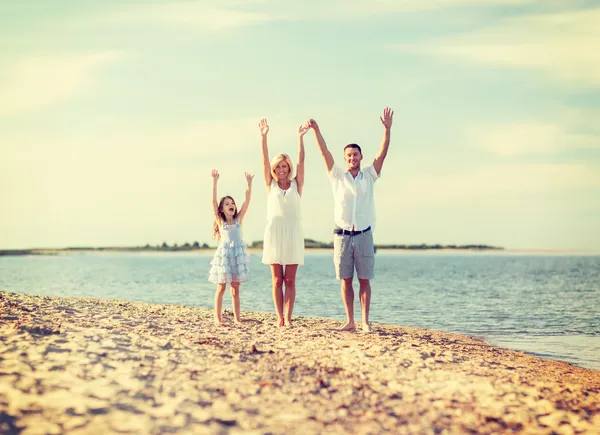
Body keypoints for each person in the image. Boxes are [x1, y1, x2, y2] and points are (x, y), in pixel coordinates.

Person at [308, 107, 394, 332]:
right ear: (345, 158)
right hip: (342, 235)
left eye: (355, 154)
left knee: (364, 279)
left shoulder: (369, 175)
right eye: (348, 156)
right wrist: (316, 130)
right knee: (345, 280)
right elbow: (324, 151)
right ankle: (350, 321)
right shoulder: (337, 176)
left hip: (364, 234)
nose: (352, 158)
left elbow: (382, 153)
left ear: (361, 156)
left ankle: (365, 321)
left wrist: (387, 129)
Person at [259, 118, 309, 327]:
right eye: (278, 166)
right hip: (274, 234)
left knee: (290, 280)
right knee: (277, 280)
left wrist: (299, 139)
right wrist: (263, 137)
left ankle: (288, 318)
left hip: (292, 234)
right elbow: (263, 161)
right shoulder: (270, 185)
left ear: (288, 168)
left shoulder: (297, 184)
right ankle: (279, 317)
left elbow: (301, 161)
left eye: (284, 166)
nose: (281, 169)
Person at [208, 169, 254, 326]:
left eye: (232, 203)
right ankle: (217, 318)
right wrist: (215, 182)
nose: (231, 205)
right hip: (224, 256)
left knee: (235, 289)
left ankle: (237, 319)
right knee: (221, 288)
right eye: (227, 204)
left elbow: (247, 201)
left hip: (237, 257)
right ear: (222, 209)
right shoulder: (221, 222)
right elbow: (213, 202)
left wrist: (249, 183)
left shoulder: (238, 219)